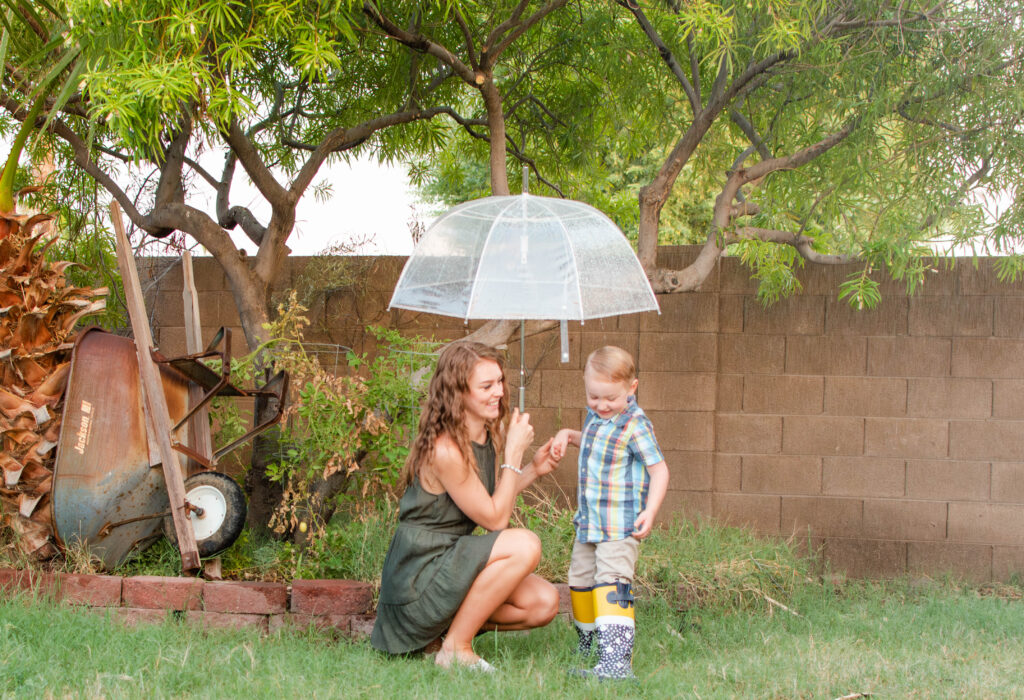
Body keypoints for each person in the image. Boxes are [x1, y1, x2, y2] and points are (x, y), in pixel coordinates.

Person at [370, 341, 561, 671]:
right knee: (525, 544)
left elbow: (488, 503)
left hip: (451, 560)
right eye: (486, 386)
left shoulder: (486, 434)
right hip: (419, 577)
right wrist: (514, 455)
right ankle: (456, 648)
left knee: (544, 603)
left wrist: (533, 469)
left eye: (499, 381)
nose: (498, 392)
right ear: (458, 392)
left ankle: (448, 633)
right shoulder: (446, 449)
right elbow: (495, 521)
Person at [551, 345, 669, 680]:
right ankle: (589, 646)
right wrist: (565, 435)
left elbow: (660, 470)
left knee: (612, 583)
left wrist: (651, 510)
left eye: (610, 399)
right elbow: (588, 438)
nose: (602, 405)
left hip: (619, 526)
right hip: (589, 524)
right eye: (594, 397)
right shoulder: (596, 417)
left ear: (632, 387)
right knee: (580, 582)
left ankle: (616, 661)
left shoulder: (636, 424)